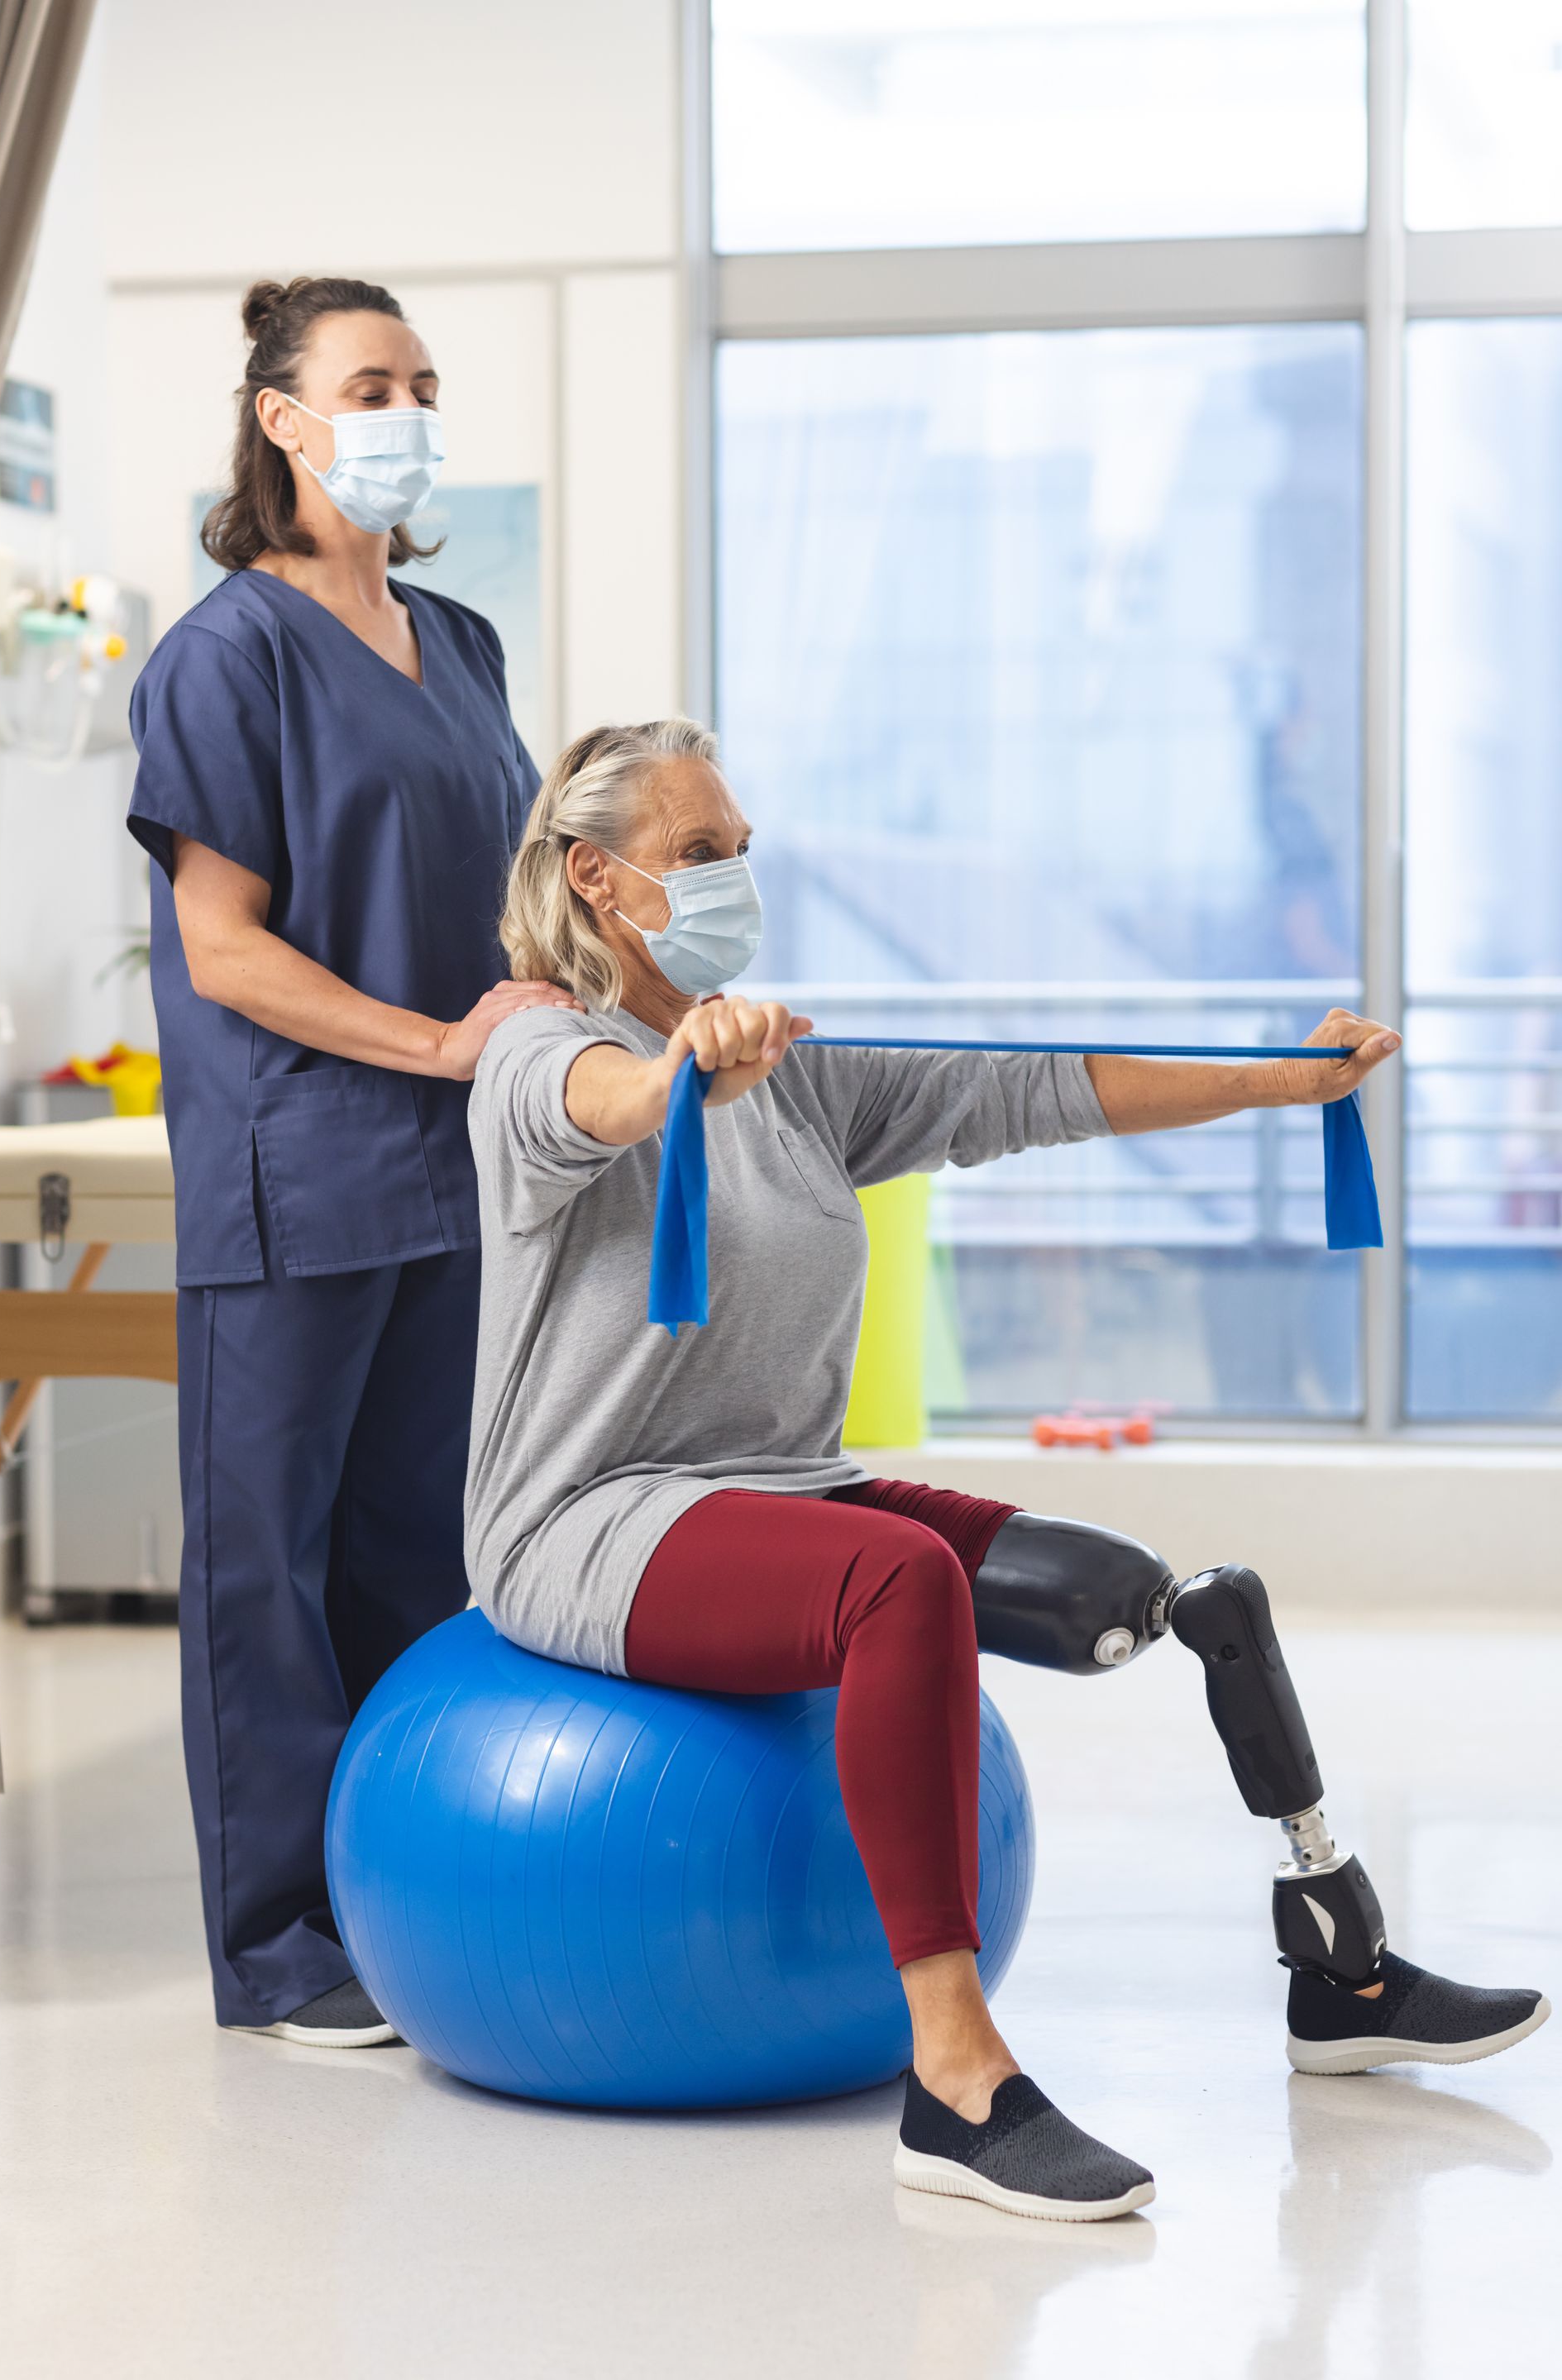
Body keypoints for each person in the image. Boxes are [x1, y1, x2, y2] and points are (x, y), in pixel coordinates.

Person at [466, 717, 1549, 2222]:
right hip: (590, 1523)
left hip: (775, 1491)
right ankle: (957, 2083)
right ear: (597, 879)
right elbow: (588, 1110)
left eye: (743, 852)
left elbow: (1030, 1088)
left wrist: (1275, 1086)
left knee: (1176, 1596)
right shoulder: (536, 1046)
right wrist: (674, 1081)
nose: (732, 879)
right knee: (899, 1586)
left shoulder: (791, 1074)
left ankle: (1339, 1966)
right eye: (698, 855)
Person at [126, 276, 575, 2046]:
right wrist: (440, 1046)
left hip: (449, 1173)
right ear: (284, 421)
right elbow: (223, 947)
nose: (406, 408)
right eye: (368, 382)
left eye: (424, 380)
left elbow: (505, 898)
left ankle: (409, 1896)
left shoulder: (457, 643)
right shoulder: (225, 653)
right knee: (269, 1572)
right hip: (293, 1172)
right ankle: (281, 1944)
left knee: (415, 1554)